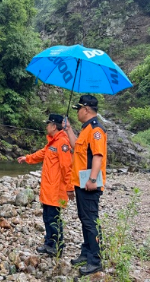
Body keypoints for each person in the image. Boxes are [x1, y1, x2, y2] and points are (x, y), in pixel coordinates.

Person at [18, 113, 74, 257]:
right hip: (48, 189)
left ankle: (57, 246)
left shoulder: (62, 143)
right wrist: (27, 158)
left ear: (54, 126)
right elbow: (41, 154)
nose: (46, 126)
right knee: (47, 217)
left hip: (56, 190)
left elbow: (67, 168)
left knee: (54, 218)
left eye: (48, 124)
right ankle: (48, 243)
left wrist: (69, 188)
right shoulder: (52, 142)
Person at [63, 95, 107, 276]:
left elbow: (98, 156)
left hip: (90, 184)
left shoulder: (96, 130)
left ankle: (95, 260)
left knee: (90, 222)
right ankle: (86, 252)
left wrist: (93, 180)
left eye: (78, 109)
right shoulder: (86, 129)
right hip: (81, 183)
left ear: (86, 109)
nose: (77, 112)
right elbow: (77, 148)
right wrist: (68, 130)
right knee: (84, 219)